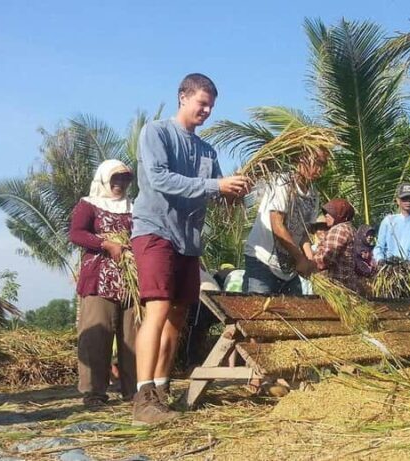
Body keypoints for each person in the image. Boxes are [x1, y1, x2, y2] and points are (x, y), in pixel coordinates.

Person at [130, 73, 249, 425]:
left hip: (188, 239)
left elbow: (215, 191)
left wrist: (234, 193)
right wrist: (216, 184)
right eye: (202, 102)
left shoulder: (207, 151)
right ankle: (143, 394)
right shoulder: (156, 133)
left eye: (211, 105)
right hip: (155, 231)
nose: (207, 110)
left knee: (178, 314)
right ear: (183, 97)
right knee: (159, 307)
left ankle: (162, 389)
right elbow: (159, 179)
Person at [68, 159, 136, 409]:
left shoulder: (134, 207)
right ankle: (94, 393)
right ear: (105, 178)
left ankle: (134, 390)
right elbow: (76, 233)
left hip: (130, 281)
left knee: (133, 337)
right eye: (116, 178)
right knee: (97, 336)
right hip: (99, 280)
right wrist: (105, 244)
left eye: (126, 179)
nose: (121, 184)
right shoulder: (89, 204)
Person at [244, 149, 329, 295]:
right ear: (300, 160)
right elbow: (277, 225)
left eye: (323, 165)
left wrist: (309, 261)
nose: (319, 169)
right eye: (316, 162)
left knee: (297, 313)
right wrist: (300, 258)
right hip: (262, 262)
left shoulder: (313, 196)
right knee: (258, 313)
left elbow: (303, 234)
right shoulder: (283, 183)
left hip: (288, 268)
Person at [374, 183, 410, 266]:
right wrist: (380, 259)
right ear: (398, 200)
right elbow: (379, 247)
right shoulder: (388, 221)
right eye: (404, 198)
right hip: (389, 269)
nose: (408, 201)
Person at [313, 199, 360, 292]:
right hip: (350, 287)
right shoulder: (351, 229)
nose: (326, 215)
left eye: (330, 212)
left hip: (337, 287)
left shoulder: (339, 229)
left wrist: (308, 260)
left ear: (340, 214)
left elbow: (325, 259)